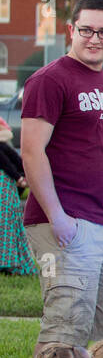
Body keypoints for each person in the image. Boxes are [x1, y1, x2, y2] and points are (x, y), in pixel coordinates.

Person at [18, 0, 103, 358]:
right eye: (86, 30)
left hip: (101, 223)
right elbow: (30, 150)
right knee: (62, 329)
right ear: (71, 31)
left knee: (98, 332)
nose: (94, 39)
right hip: (62, 223)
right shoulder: (51, 79)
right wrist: (57, 215)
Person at [0, 116, 37, 275]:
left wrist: (20, 176)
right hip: (7, 184)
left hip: (5, 185)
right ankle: (8, 262)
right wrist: (20, 176)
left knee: (7, 221)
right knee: (8, 221)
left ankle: (7, 262)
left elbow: (8, 160)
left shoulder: (2, 146)